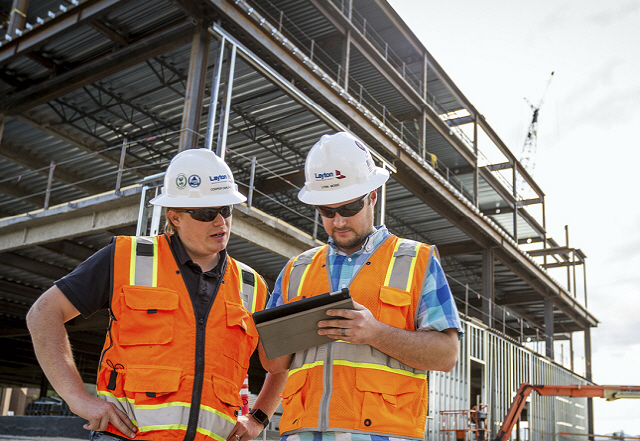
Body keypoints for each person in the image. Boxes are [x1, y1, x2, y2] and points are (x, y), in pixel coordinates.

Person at [27, 149, 286, 441]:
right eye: (206, 213)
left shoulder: (252, 286)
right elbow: (43, 314)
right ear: (174, 217)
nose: (221, 222)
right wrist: (77, 399)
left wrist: (259, 417)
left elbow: (281, 362)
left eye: (226, 209)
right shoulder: (126, 257)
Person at [259, 132, 463, 441]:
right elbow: (272, 363)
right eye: (327, 212)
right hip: (302, 433)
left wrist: (375, 333)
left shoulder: (415, 260)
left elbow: (446, 355)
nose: (338, 222)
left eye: (348, 208)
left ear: (372, 196)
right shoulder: (297, 269)